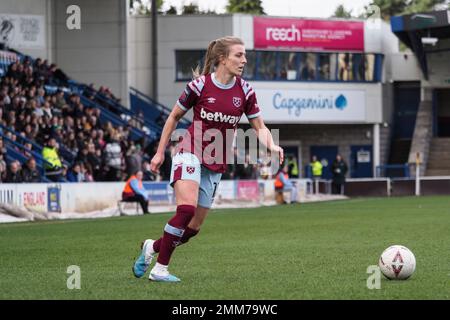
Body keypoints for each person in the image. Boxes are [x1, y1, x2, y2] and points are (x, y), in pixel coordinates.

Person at [132, 36, 284, 282]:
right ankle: (160, 270)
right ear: (222, 59)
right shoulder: (199, 86)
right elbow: (172, 118)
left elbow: (260, 127)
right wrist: (160, 152)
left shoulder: (245, 91)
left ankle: (151, 248)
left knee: (192, 229)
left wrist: (272, 144)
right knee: (185, 210)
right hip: (189, 152)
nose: (244, 60)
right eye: (239, 55)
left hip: (215, 163)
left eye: (245, 55)